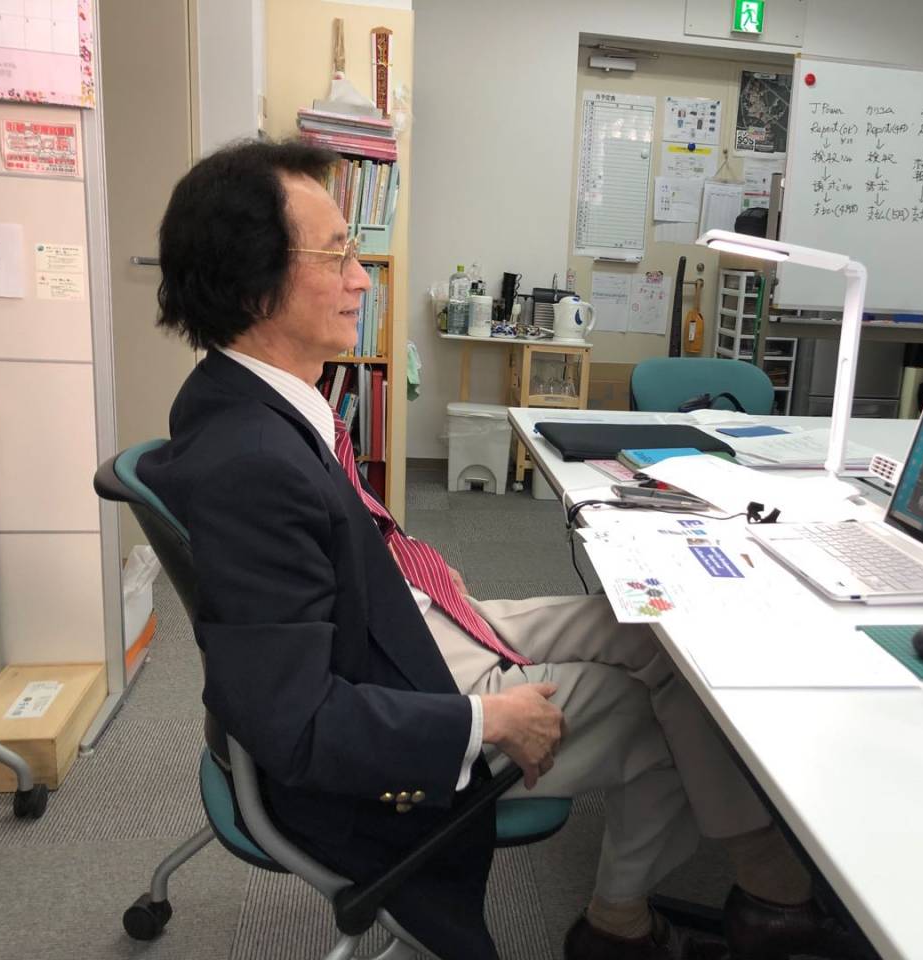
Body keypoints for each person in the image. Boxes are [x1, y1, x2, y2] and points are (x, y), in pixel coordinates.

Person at [141, 139, 860, 960]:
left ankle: (751, 890)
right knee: (671, 711)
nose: (361, 279)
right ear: (250, 283)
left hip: (411, 623)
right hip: (413, 686)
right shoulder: (251, 465)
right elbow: (296, 724)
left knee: (657, 629)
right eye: (336, 254)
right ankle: (662, 916)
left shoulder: (251, 398)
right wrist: (487, 719)